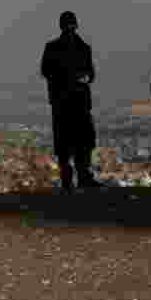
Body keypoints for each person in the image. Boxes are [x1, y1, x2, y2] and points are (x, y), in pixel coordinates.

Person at [40, 11, 101, 192]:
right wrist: (65, 77)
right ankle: (68, 180)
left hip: (79, 101)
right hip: (62, 101)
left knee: (84, 140)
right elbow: (46, 70)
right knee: (65, 143)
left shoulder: (84, 48)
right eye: (67, 24)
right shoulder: (52, 47)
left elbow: (91, 73)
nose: (70, 28)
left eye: (71, 24)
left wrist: (85, 78)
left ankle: (83, 177)